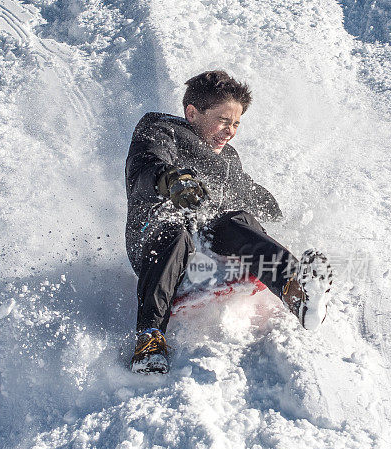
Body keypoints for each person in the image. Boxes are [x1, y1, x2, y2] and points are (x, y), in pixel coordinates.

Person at [125, 70, 333, 374]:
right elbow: (145, 164)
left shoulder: (228, 158)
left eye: (236, 123)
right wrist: (169, 180)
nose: (230, 131)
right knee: (175, 228)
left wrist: (281, 219)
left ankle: (295, 291)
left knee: (235, 219)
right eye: (224, 121)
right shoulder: (160, 129)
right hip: (155, 240)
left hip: (207, 250)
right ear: (192, 113)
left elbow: (248, 192)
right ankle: (149, 339)